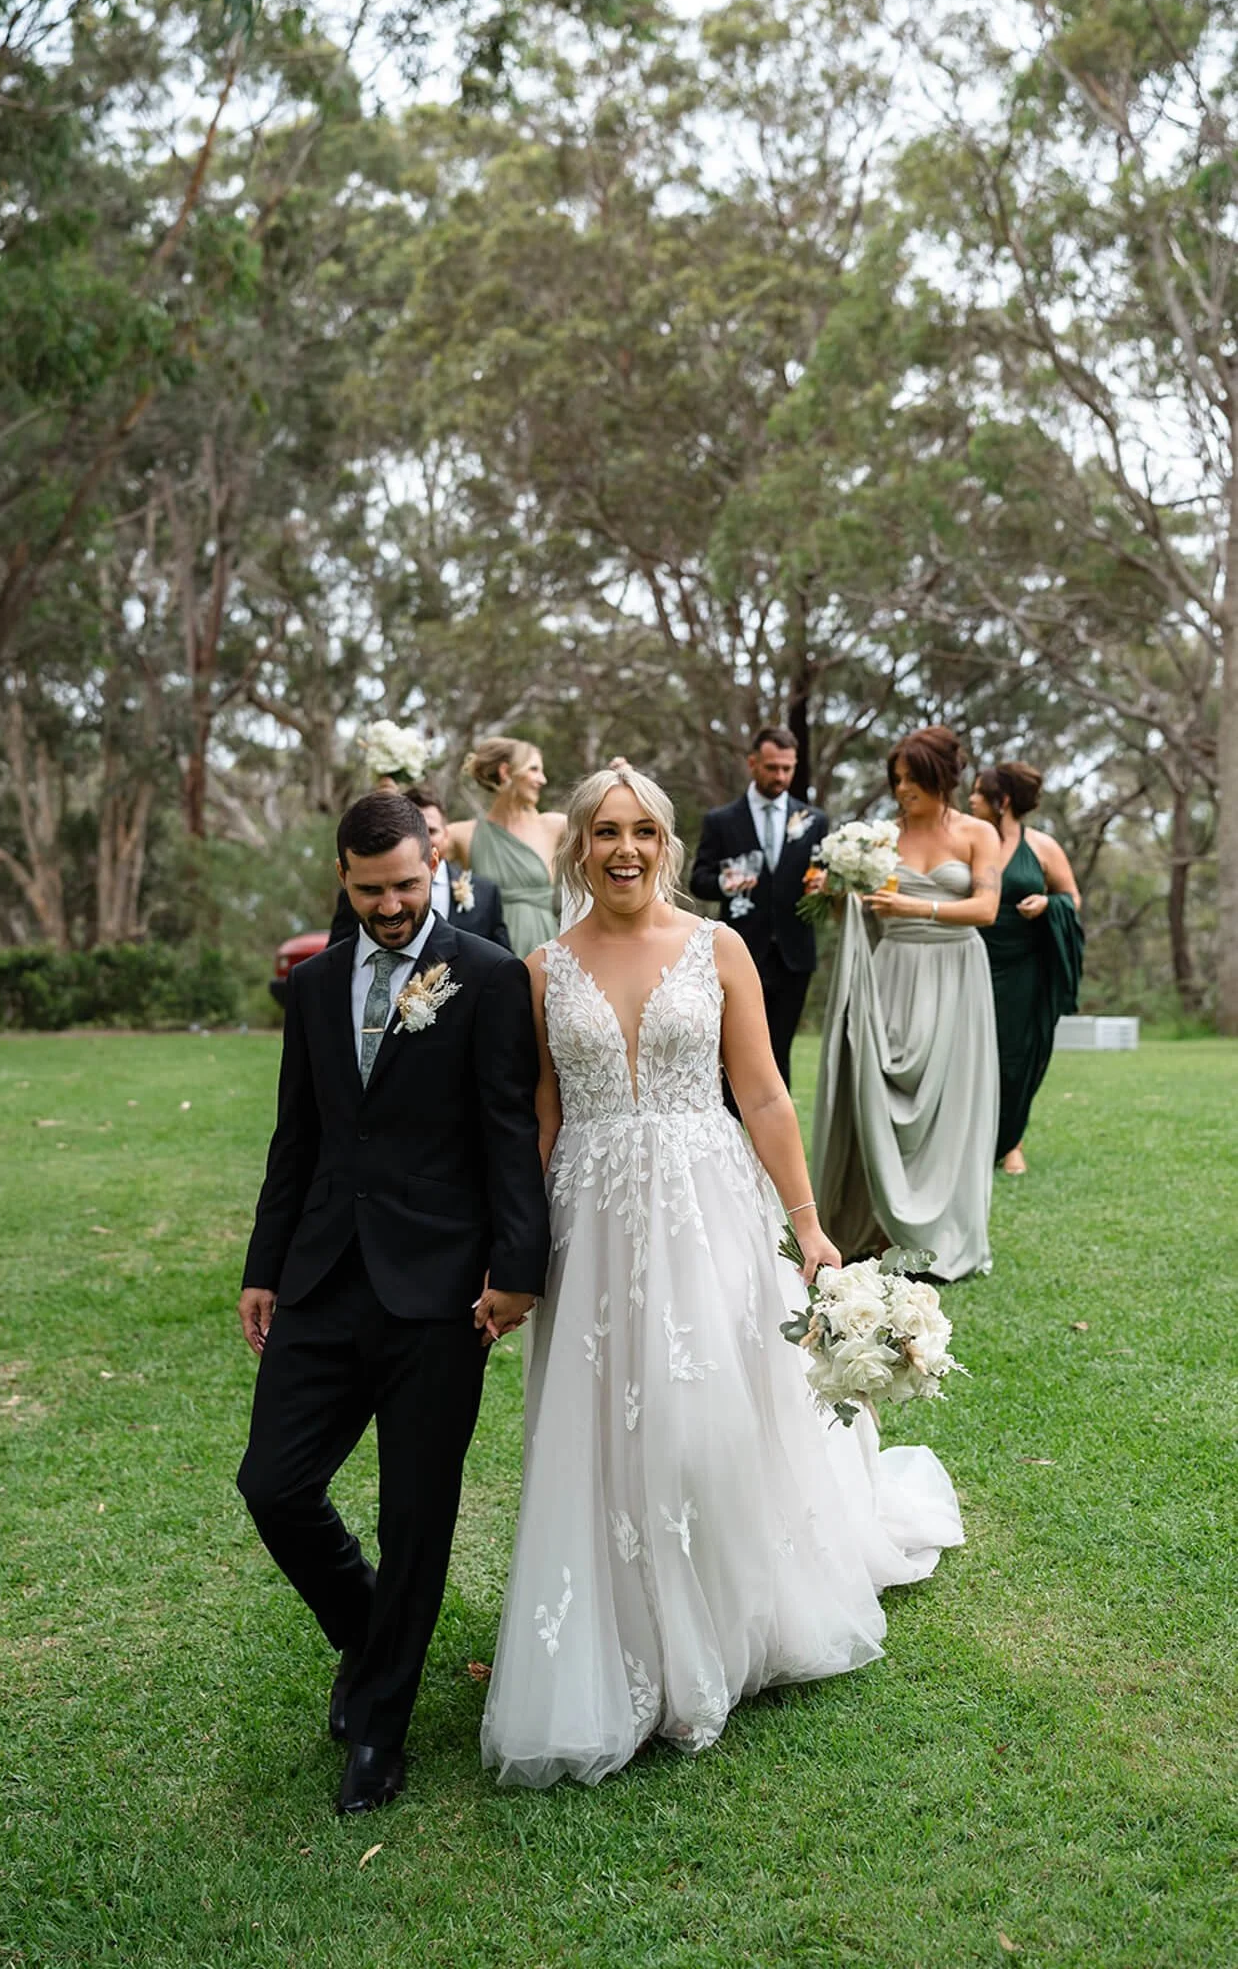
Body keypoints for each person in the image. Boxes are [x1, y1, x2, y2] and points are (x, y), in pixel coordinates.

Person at [479, 766, 963, 1789]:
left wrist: (810, 1228)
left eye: (642, 831)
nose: (623, 848)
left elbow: (764, 1095)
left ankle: (732, 1607)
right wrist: (512, 1251)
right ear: (578, 845)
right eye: (604, 830)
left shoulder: (718, 947)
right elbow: (542, 1117)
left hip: (708, 1211)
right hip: (590, 1223)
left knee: (706, 1421)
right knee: (610, 1426)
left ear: (663, 843)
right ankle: (632, 1632)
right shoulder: (541, 967)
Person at [236, 792, 549, 1815]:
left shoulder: (488, 975)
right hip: (325, 1276)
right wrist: (263, 1266)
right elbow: (297, 1137)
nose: (390, 904)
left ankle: (379, 1729)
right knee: (273, 1485)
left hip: (440, 1289)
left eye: (407, 884)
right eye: (370, 888)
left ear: (435, 870)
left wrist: (516, 1268)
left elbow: (508, 1131)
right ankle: (372, 1628)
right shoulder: (318, 982)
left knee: (417, 1511)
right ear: (341, 874)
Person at [811, 726, 1001, 1282]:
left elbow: (986, 908)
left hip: (956, 972)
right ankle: (877, 1228)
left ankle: (944, 1235)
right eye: (896, 780)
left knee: (949, 1108)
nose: (902, 790)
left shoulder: (976, 833)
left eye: (911, 779)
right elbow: (860, 907)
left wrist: (919, 909)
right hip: (893, 971)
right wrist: (835, 891)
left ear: (940, 777)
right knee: (884, 1096)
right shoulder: (879, 838)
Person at [689, 726, 827, 1087]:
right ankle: (731, 1134)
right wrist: (724, 883)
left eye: (787, 768)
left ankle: (773, 1138)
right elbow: (698, 879)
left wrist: (825, 886)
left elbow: (824, 878)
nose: (780, 776)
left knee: (780, 1050)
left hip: (794, 956)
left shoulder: (815, 821)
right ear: (752, 763)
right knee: (731, 1049)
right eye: (771, 767)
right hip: (739, 950)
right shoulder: (721, 821)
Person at [969, 762, 1084, 1175]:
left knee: (1017, 1056)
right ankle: (972, 1141)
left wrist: (1046, 903)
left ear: (1002, 802)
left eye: (979, 793)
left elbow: (1071, 897)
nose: (971, 799)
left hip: (1023, 969)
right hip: (972, 960)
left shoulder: (1042, 846)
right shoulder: (968, 840)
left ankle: (1012, 1141)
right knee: (971, 1054)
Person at [328, 784, 512, 952]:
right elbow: (337, 956)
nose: (390, 907)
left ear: (446, 835)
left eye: (431, 831)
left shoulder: (486, 893)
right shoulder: (357, 889)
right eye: (413, 832)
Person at [448, 737, 565, 955]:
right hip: (489, 952)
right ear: (506, 771)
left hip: (545, 950)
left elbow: (609, 831)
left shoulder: (554, 826)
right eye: (534, 769)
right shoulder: (462, 835)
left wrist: (623, 780)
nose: (543, 779)